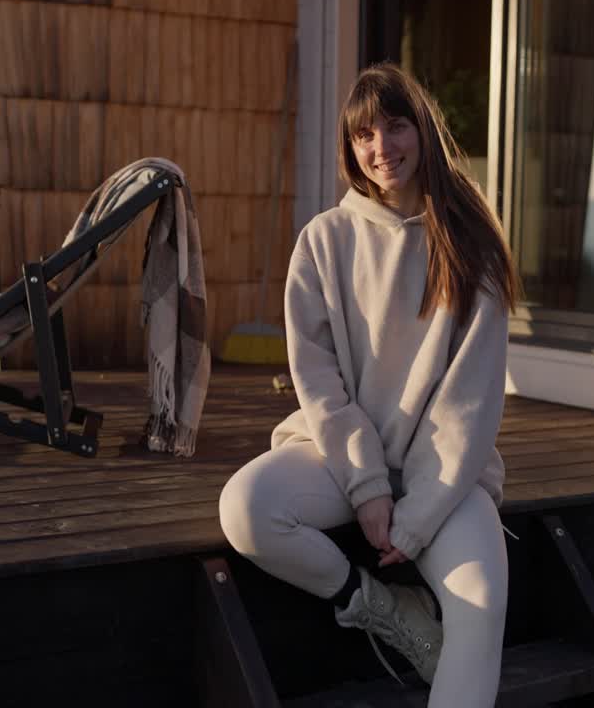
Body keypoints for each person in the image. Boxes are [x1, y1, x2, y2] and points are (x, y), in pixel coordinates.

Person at [218, 63, 519, 706]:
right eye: (364, 136)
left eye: (395, 126)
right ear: (351, 148)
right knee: (245, 509)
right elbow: (319, 383)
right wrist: (367, 485)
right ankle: (380, 607)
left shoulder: (473, 248)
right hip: (340, 456)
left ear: (423, 132)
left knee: (483, 601)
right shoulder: (324, 241)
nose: (381, 147)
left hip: (441, 472)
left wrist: (416, 520)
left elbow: (469, 402)